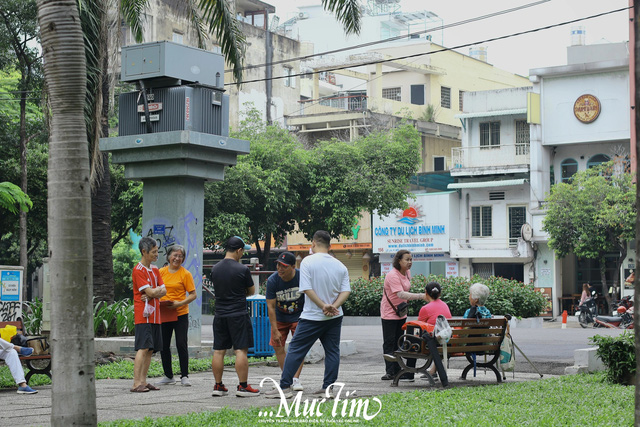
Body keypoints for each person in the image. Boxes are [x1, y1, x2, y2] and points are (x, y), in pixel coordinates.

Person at [266, 230, 351, 399]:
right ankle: (328, 389)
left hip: (312, 316)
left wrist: (322, 306)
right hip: (334, 316)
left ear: (313, 243)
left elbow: (306, 289)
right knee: (332, 351)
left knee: (295, 350)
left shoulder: (307, 262)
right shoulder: (340, 265)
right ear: (330, 246)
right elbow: (346, 291)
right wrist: (333, 306)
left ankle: (284, 387)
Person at [209, 236, 260, 397]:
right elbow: (251, 291)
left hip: (220, 314)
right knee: (240, 351)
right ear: (238, 250)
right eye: (242, 251)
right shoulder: (242, 269)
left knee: (218, 351)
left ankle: (218, 386)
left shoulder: (215, 268)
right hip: (238, 314)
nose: (242, 254)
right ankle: (243, 386)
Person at [380, 250, 426, 382]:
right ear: (399, 260)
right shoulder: (392, 275)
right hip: (389, 313)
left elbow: (406, 291)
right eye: (407, 259)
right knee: (389, 343)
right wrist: (421, 296)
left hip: (401, 312)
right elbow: (400, 294)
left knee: (399, 341)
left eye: (411, 259)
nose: (410, 262)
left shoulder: (407, 273)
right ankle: (390, 371)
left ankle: (398, 369)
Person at [157, 245, 197, 387]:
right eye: (175, 255)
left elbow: (193, 295)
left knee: (181, 343)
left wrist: (179, 304)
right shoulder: (160, 272)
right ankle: (168, 375)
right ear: (168, 256)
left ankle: (184, 376)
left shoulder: (185, 274)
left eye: (180, 256)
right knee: (164, 345)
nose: (177, 258)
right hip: (165, 312)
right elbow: (155, 290)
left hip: (180, 313)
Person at [131, 237, 167, 393]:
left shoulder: (155, 269)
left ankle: (143, 381)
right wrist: (154, 292)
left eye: (156, 251)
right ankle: (135, 383)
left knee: (151, 349)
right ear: (144, 252)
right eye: (153, 252)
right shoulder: (138, 270)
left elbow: (163, 290)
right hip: (143, 315)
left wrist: (152, 294)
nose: (156, 254)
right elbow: (154, 290)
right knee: (143, 347)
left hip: (156, 315)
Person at [266, 251, 305, 391]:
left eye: (284, 266)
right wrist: (275, 329)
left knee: (300, 347)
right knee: (277, 345)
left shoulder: (302, 277)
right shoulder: (272, 280)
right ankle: (286, 377)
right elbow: (270, 307)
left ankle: (295, 379)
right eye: (278, 265)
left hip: (299, 317)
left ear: (293, 266)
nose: (279, 269)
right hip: (280, 317)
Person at [417, 281, 452, 380]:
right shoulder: (445, 305)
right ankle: (432, 371)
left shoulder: (425, 308)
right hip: (448, 342)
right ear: (440, 293)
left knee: (411, 338)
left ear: (426, 293)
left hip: (433, 344)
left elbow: (419, 327)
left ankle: (408, 374)